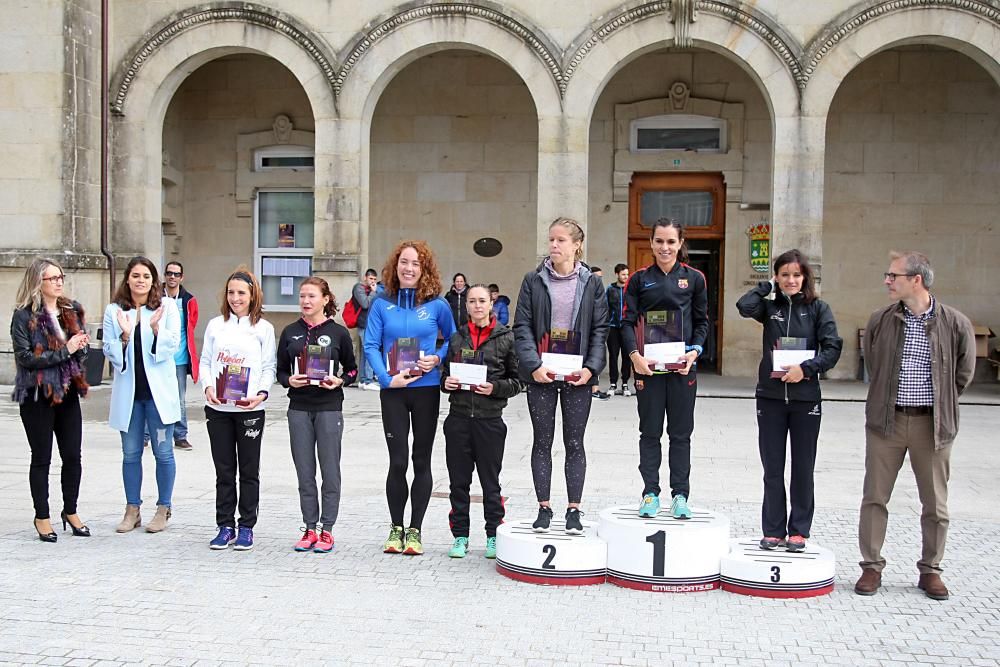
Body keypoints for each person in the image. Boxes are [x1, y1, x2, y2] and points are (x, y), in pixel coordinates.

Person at [855, 251, 975, 601]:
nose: (887, 281)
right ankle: (871, 567)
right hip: (887, 422)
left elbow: (962, 375)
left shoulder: (955, 322)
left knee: (935, 503)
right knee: (874, 497)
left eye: (893, 275)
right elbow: (875, 366)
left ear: (916, 280)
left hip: (932, 425)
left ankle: (931, 570)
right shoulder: (881, 320)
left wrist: (940, 405)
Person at [737, 249, 843, 552]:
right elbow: (744, 306)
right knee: (772, 467)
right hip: (770, 398)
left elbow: (832, 349)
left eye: (796, 275)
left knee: (802, 467)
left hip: (805, 399)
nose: (791, 280)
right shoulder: (769, 309)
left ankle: (798, 530)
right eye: (784, 274)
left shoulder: (819, 309)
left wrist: (805, 369)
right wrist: (766, 287)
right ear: (777, 277)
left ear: (805, 277)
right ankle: (772, 530)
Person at [513, 217, 608, 534]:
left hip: (577, 375)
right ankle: (543, 508)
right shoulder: (533, 280)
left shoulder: (592, 283)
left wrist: (592, 368)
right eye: (551, 240)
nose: (553, 245)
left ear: (577, 244)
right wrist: (533, 365)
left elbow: (600, 330)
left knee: (574, 442)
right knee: (542, 441)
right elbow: (522, 327)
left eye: (560, 240)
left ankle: (573, 510)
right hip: (542, 373)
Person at [365, 241, 456, 555]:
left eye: (416, 264)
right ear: (396, 265)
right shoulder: (380, 303)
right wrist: (387, 379)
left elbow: (453, 340)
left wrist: (438, 359)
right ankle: (396, 528)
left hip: (426, 390)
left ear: (424, 269)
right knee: (398, 461)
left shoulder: (437, 305)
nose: (409, 268)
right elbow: (370, 346)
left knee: (421, 460)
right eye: (404, 262)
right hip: (393, 392)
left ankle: (415, 530)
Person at [622, 218, 707, 520]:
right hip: (648, 371)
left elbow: (701, 322)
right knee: (650, 432)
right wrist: (635, 357)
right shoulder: (639, 279)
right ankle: (650, 494)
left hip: (683, 370)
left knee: (681, 434)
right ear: (651, 243)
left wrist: (694, 352)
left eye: (671, 241)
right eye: (659, 241)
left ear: (680, 243)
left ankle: (680, 495)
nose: (665, 247)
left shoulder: (694, 279)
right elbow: (628, 322)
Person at [441, 284, 523, 559]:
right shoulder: (456, 338)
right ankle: (460, 536)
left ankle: (492, 536)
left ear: (491, 304)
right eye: (472, 301)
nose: (477, 306)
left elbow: (517, 381)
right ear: (467, 306)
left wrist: (495, 388)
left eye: (482, 301)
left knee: (491, 483)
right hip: (459, 419)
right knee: (458, 483)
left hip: (490, 421)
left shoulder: (506, 338)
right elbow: (444, 377)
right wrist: (447, 383)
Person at [11, 258, 91, 542]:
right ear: (38, 282)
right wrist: (66, 351)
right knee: (41, 457)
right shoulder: (24, 316)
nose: (59, 282)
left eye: (61, 277)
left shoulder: (71, 310)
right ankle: (42, 515)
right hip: (37, 395)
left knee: (72, 455)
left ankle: (70, 510)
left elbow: (81, 352)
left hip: (68, 392)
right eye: (52, 278)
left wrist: (80, 347)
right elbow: (25, 358)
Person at [277, 277, 357, 553]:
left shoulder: (338, 333)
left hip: (328, 407)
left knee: (330, 471)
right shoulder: (289, 332)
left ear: (325, 299)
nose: (306, 301)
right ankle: (309, 528)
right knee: (305, 472)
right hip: (298, 408)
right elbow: (280, 372)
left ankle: (327, 529)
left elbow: (353, 369)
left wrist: (341, 381)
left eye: (312, 296)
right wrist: (290, 381)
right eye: (302, 296)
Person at [199, 268, 276, 551]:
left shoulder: (263, 329)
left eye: (241, 293)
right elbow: (205, 362)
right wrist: (207, 387)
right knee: (224, 470)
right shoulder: (215, 325)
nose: (235, 298)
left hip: (250, 410)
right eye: (231, 292)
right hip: (218, 408)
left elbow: (269, 367)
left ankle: (246, 527)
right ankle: (224, 525)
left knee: (248, 470)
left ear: (253, 294)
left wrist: (261, 394)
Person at [103, 256, 181, 534]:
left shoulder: (167, 306)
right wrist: (125, 336)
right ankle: (132, 508)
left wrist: (156, 329)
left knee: (163, 452)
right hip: (130, 395)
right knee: (130, 453)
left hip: (158, 394)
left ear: (153, 280)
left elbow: (172, 345)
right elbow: (110, 352)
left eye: (146, 276)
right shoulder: (114, 310)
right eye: (136, 275)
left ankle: (163, 508)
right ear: (127, 279)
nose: (141, 281)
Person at [163, 261, 198, 450]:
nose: (172, 277)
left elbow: (191, 326)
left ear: (181, 277)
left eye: (176, 274)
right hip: (159, 357)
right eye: (169, 273)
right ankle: (146, 435)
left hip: (179, 358)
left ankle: (180, 435)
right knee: (152, 395)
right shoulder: (155, 298)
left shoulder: (189, 300)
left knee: (179, 398)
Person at [353, 268, 381, 391]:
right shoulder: (359, 288)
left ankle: (364, 379)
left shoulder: (373, 290)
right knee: (370, 350)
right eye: (370, 279)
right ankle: (368, 380)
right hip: (364, 324)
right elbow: (365, 304)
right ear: (365, 278)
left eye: (375, 279)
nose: (373, 281)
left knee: (366, 352)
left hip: (371, 324)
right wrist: (374, 292)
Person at [606, 263, 632, 397]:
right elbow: (605, 307)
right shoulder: (610, 289)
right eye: (623, 274)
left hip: (627, 327)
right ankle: (613, 383)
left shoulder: (630, 289)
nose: (626, 277)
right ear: (617, 274)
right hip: (613, 327)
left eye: (627, 274)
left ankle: (625, 383)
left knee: (627, 356)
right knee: (613, 356)